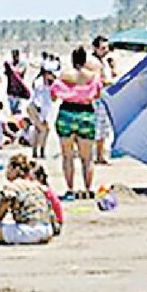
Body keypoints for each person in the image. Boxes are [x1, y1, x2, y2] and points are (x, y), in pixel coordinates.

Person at [51, 47, 103, 200]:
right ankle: (88, 189)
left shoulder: (64, 75)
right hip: (85, 113)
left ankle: (70, 189)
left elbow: (54, 95)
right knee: (87, 157)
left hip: (66, 113)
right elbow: (97, 94)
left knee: (67, 156)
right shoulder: (92, 76)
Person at [0, 154, 54, 245]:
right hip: (48, 230)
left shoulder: (12, 186)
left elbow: (1, 211)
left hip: (31, 230)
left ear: (16, 169)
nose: (6, 172)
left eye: (9, 168)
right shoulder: (35, 185)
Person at [88, 35, 117, 165]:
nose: (106, 50)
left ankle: (100, 155)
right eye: (103, 48)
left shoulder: (104, 61)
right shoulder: (93, 62)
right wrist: (109, 82)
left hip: (104, 98)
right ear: (95, 48)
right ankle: (96, 156)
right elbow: (95, 80)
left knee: (104, 128)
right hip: (97, 99)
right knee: (98, 128)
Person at [27, 64, 55, 159]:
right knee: (44, 130)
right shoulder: (40, 83)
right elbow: (40, 100)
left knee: (39, 130)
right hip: (36, 108)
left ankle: (37, 151)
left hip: (40, 109)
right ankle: (40, 151)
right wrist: (42, 117)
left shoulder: (48, 83)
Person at [4, 49, 30, 115]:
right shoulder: (10, 64)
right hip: (10, 90)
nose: (14, 57)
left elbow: (19, 72)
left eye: (15, 56)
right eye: (13, 56)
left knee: (18, 111)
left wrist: (11, 67)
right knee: (12, 111)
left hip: (19, 91)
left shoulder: (22, 64)